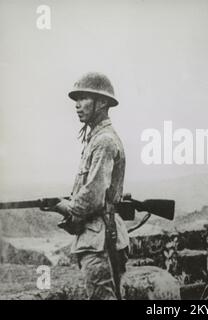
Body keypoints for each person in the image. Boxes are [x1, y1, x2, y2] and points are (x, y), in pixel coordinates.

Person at [49, 72, 129, 299]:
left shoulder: (103, 141)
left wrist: (64, 206)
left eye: (83, 98)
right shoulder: (96, 138)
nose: (77, 105)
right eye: (76, 100)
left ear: (102, 102)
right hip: (99, 238)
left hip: (100, 241)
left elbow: (93, 196)